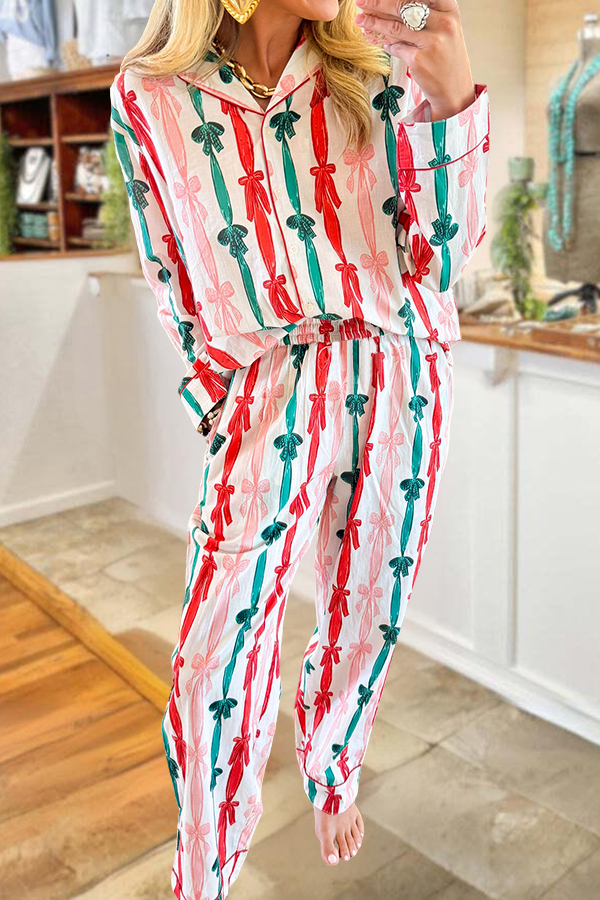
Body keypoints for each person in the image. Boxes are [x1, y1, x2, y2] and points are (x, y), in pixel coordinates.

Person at [109, 0, 489, 894]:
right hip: (269, 377)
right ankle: (204, 871)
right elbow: (168, 267)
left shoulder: (383, 67)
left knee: (369, 603)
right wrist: (219, 397)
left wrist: (451, 103)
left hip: (399, 367)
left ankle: (333, 763)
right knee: (214, 654)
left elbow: (445, 257)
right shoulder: (149, 95)